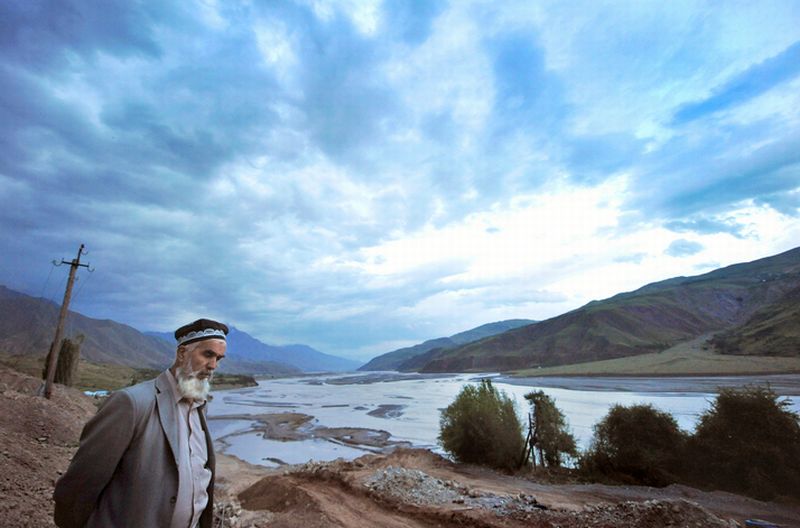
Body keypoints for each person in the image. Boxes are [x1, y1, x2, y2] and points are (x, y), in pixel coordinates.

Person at [53, 318, 228, 528]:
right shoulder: (132, 404)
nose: (213, 366)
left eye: (219, 358)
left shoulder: (199, 407)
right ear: (182, 353)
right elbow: (79, 486)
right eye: (207, 354)